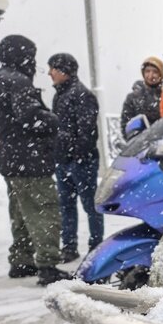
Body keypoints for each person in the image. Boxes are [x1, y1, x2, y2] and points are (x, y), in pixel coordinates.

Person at [0, 35, 71, 285]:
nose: (33, 61)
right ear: (21, 55)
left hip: (10, 158)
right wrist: (54, 120)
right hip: (30, 159)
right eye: (31, 55)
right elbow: (29, 116)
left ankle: (21, 260)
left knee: (21, 210)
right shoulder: (19, 82)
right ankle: (48, 265)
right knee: (44, 209)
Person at [48, 52, 103, 263]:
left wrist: (77, 155)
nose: (50, 73)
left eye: (53, 68)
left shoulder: (82, 94)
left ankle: (96, 245)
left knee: (91, 205)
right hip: (64, 161)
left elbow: (87, 131)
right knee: (66, 205)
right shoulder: (59, 95)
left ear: (65, 71)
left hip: (82, 161)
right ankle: (69, 246)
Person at [120, 57, 163, 135]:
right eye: (147, 71)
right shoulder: (132, 98)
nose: (151, 75)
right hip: (140, 143)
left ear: (161, 74)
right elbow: (126, 125)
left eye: (155, 72)